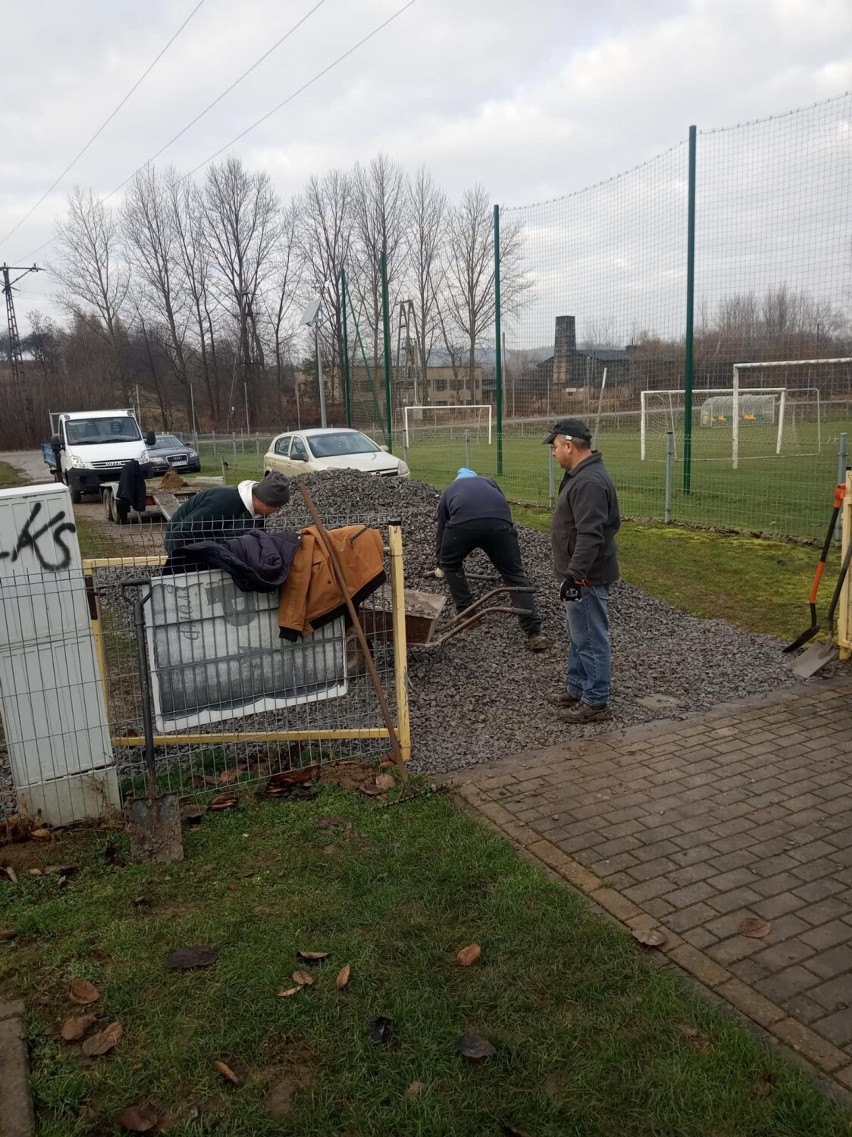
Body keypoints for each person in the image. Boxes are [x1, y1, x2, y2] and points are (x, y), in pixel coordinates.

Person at [545, 418, 621, 722]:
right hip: (578, 574)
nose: (552, 453)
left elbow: (591, 534)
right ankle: (577, 687)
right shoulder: (581, 475)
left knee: (590, 637)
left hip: (586, 576)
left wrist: (576, 575)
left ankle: (596, 700)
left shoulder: (588, 482)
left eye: (554, 446)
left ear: (568, 445)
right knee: (579, 635)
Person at [436, 467, 549, 652]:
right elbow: (504, 508)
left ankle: (467, 614)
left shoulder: (450, 491)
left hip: (464, 525)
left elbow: (442, 528)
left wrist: (441, 562)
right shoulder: (489, 482)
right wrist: (509, 538)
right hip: (500, 525)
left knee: (450, 562)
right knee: (514, 574)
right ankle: (535, 632)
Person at [164, 471, 291, 554]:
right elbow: (179, 535)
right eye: (278, 507)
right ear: (267, 502)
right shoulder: (223, 502)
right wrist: (181, 572)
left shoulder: (258, 514)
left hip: (213, 546)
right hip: (183, 545)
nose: (278, 511)